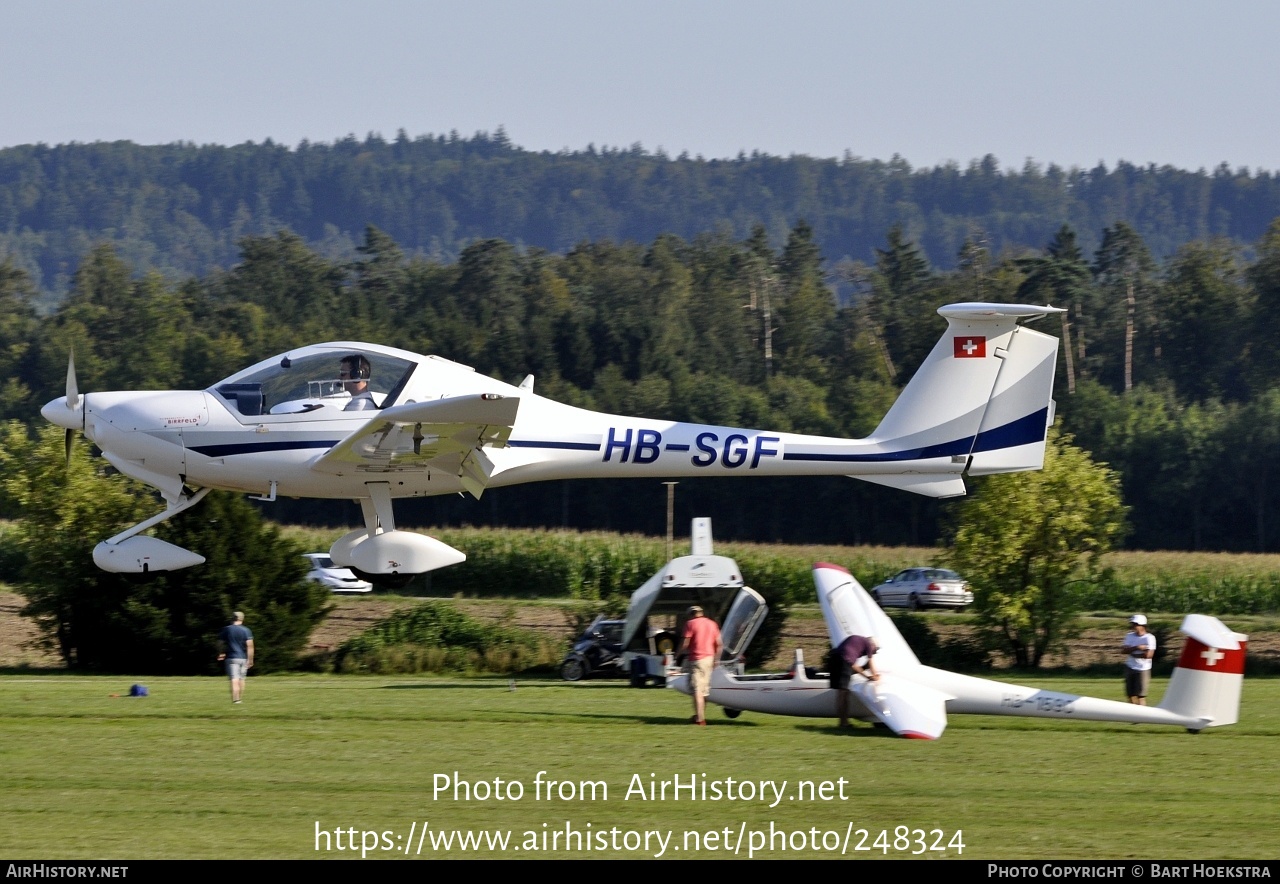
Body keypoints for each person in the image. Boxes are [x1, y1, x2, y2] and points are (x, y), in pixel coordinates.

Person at [677, 605, 722, 726]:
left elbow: (685, 644)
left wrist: (677, 655)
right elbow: (719, 644)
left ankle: (700, 719)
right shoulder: (712, 624)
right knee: (704, 690)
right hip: (709, 659)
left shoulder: (690, 623)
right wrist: (716, 659)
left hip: (697, 659)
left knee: (696, 689)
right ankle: (699, 715)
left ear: (691, 614)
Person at [830, 634, 879, 727]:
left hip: (834, 658)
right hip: (843, 661)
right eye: (875, 650)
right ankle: (843, 723)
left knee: (841, 693)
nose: (873, 652)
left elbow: (853, 665)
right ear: (873, 645)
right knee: (843, 693)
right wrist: (874, 676)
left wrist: (867, 676)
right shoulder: (868, 643)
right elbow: (870, 662)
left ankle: (842, 722)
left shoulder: (857, 642)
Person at [217, 611, 255, 704]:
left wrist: (221, 652)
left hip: (231, 657)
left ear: (232, 618)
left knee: (234, 679)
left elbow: (220, 643)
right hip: (243, 657)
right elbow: (250, 646)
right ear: (242, 619)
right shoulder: (246, 630)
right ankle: (240, 699)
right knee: (242, 679)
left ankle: (235, 700)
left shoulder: (226, 629)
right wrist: (250, 659)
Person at [1122, 614, 1156, 705]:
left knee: (1141, 696)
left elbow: (1149, 655)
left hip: (1143, 669)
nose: (1133, 626)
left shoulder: (1150, 638)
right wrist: (1137, 647)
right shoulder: (1129, 636)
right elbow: (1124, 650)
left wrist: (1133, 653)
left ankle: (1142, 716)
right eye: (1133, 624)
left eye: (1135, 624)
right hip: (1130, 667)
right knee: (1130, 695)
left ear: (1142, 625)